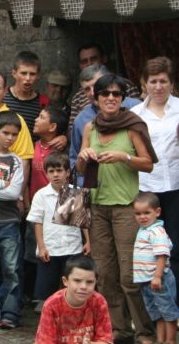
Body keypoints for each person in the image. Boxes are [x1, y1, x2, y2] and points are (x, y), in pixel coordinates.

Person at [76, 74, 157, 344]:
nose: (110, 98)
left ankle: (145, 331)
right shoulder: (90, 128)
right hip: (97, 208)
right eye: (105, 94)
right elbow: (78, 169)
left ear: (122, 99)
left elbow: (148, 163)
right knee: (106, 274)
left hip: (125, 208)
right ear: (96, 99)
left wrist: (125, 157)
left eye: (116, 94)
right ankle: (120, 331)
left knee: (130, 275)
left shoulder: (132, 126)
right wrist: (83, 157)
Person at [131, 57, 179, 295]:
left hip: (176, 185)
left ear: (171, 83)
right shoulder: (135, 114)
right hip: (147, 187)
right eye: (153, 81)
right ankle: (154, 301)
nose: (158, 87)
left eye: (163, 81)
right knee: (148, 245)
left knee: (176, 245)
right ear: (144, 83)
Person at [26, 152, 90, 312]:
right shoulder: (41, 195)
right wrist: (41, 246)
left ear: (67, 172)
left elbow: (83, 221)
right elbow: (37, 221)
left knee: (71, 286)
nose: (56, 175)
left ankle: (71, 317)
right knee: (47, 289)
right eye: (51, 171)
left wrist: (88, 241)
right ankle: (50, 320)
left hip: (72, 248)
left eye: (59, 170)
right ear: (46, 173)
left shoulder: (75, 192)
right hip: (50, 248)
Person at [0, 111, 25, 329]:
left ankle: (10, 313)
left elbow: (14, 193)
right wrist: (1, 186)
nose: (10, 138)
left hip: (9, 221)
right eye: (6, 133)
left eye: (14, 134)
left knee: (12, 268)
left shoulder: (16, 161)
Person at [132, 191, 179, 344]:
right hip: (147, 281)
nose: (142, 217)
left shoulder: (157, 231)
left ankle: (170, 340)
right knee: (157, 314)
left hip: (159, 280)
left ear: (157, 212)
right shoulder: (143, 230)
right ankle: (160, 340)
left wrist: (157, 276)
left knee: (168, 312)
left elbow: (162, 255)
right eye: (138, 213)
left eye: (147, 212)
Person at [34, 255, 113, 344]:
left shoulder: (99, 301)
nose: (83, 287)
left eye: (89, 282)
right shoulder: (52, 305)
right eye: (77, 281)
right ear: (65, 281)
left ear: (96, 282)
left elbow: (106, 340)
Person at [29, 106, 68, 202]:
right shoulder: (33, 146)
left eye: (42, 117)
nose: (36, 119)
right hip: (35, 203)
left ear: (52, 127)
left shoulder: (62, 149)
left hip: (57, 203)